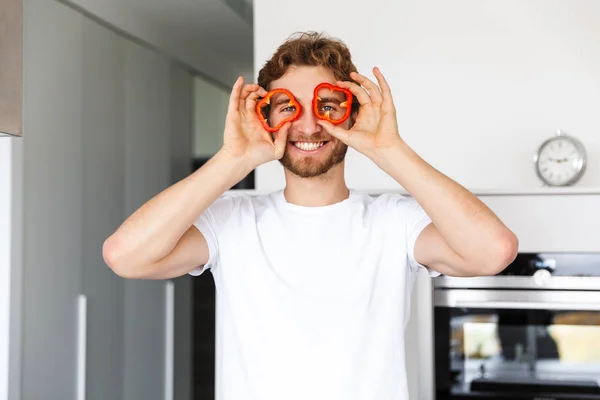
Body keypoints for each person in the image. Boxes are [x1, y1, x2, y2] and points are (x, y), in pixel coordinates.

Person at [103, 31, 519, 400]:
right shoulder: (231, 220)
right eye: (287, 107)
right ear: (265, 117)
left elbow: (493, 252)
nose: (307, 125)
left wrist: (388, 150)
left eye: (327, 106)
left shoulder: (395, 221)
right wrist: (234, 159)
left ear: (351, 114)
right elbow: (125, 256)